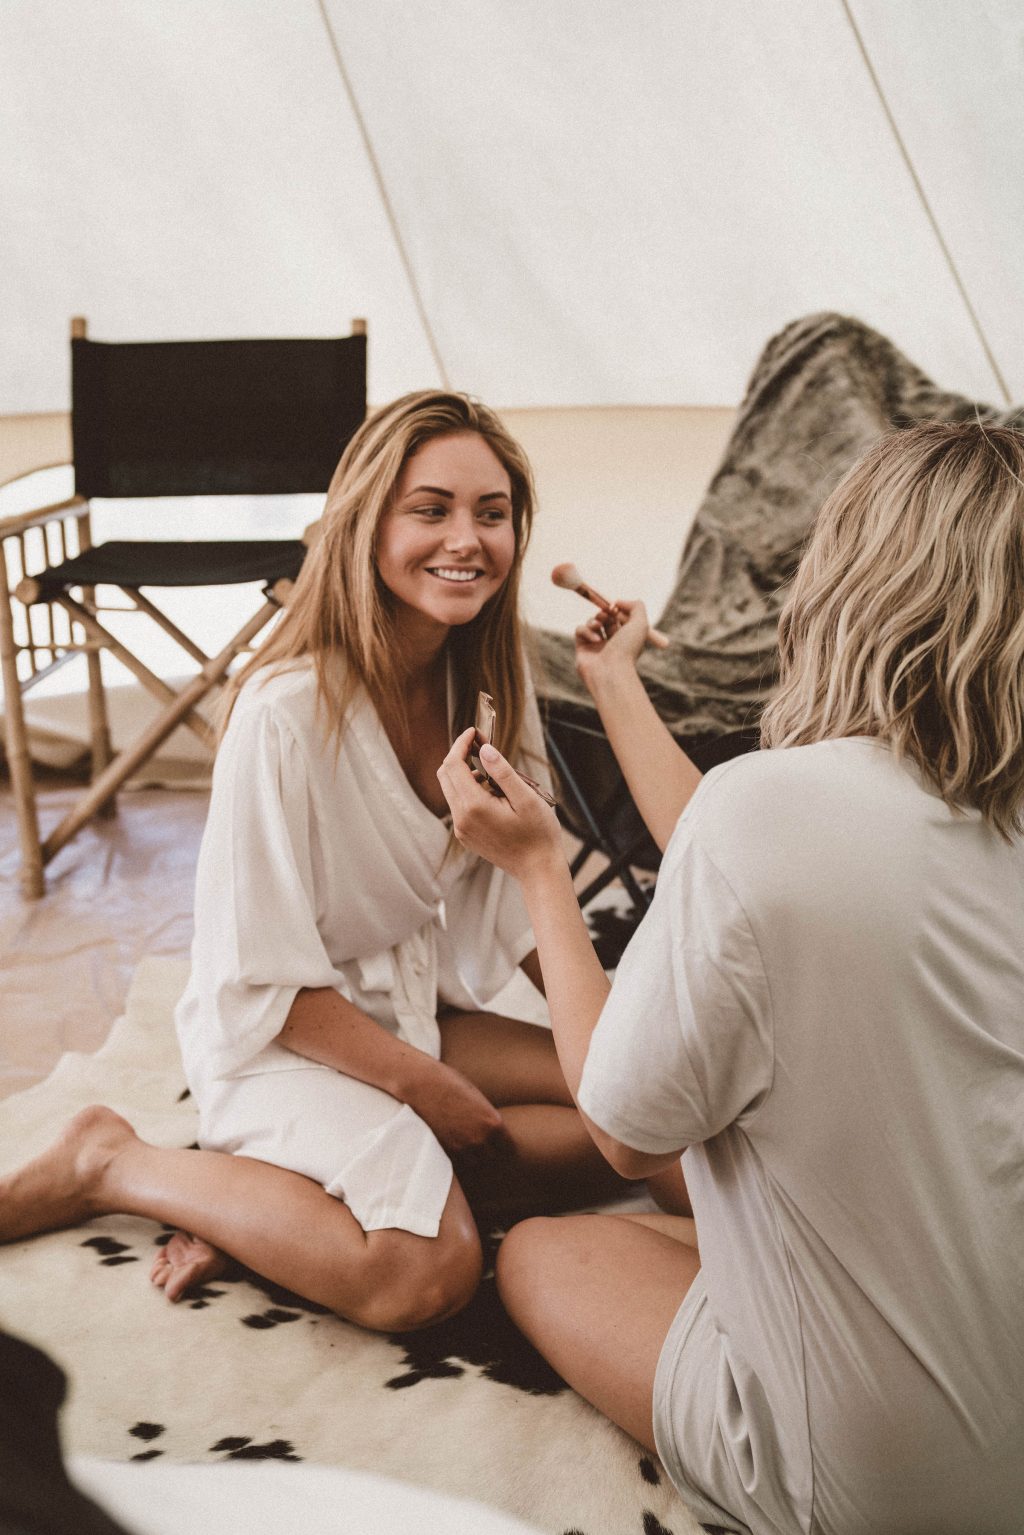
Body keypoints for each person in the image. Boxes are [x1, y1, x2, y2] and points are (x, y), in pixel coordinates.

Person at [438, 421, 1024, 1535]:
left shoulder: (771, 809)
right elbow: (749, 851)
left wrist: (536, 869)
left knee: (551, 1249)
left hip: (884, 1485)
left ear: (855, 583)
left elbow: (621, 1126)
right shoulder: (936, 805)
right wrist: (616, 682)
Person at [0, 391, 625, 1331]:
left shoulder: (490, 691)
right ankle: (116, 1164)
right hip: (284, 1039)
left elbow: (521, 904)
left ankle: (267, 1206)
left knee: (632, 1125)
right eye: (431, 508)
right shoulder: (285, 715)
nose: (466, 538)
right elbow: (266, 982)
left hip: (407, 1008)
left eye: (490, 513)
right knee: (427, 1271)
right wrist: (430, 1089)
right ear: (367, 524)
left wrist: (619, 1049)